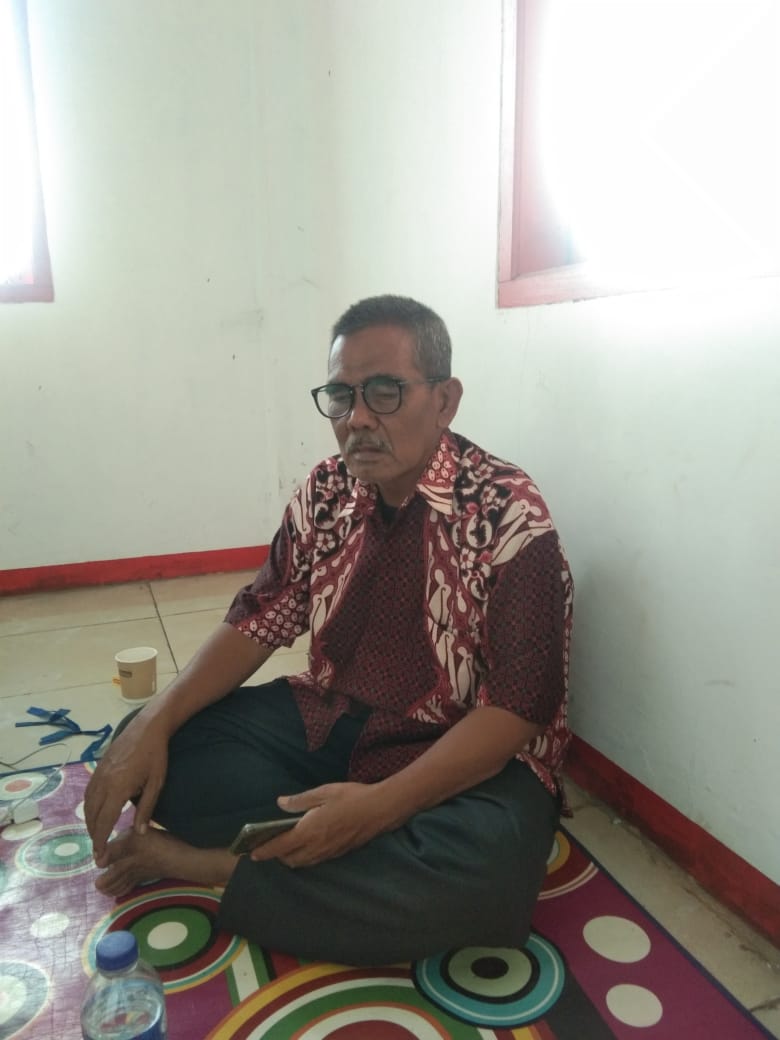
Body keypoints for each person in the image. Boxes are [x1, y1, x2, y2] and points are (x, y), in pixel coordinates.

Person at [84, 294, 573, 966]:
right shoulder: (325, 491)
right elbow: (261, 616)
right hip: (330, 722)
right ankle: (336, 859)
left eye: (385, 392)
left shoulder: (511, 513)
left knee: (488, 873)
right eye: (341, 397)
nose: (358, 419)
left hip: (460, 753)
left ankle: (212, 865)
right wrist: (155, 720)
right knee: (153, 746)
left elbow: (517, 712)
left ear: (445, 400)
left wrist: (377, 809)